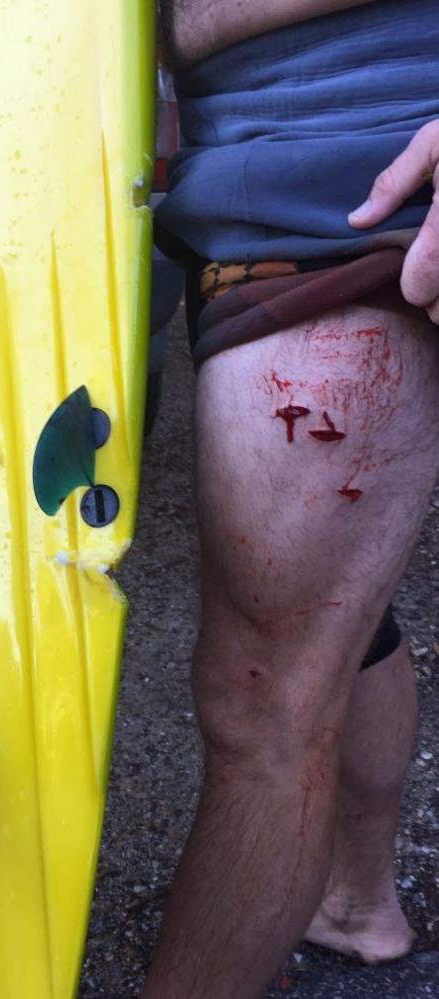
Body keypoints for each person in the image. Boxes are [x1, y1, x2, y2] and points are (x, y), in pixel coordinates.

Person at [144, 1, 439, 996]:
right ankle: (354, 906)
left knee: (263, 699)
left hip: (363, 189)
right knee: (331, 618)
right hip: (252, 174)